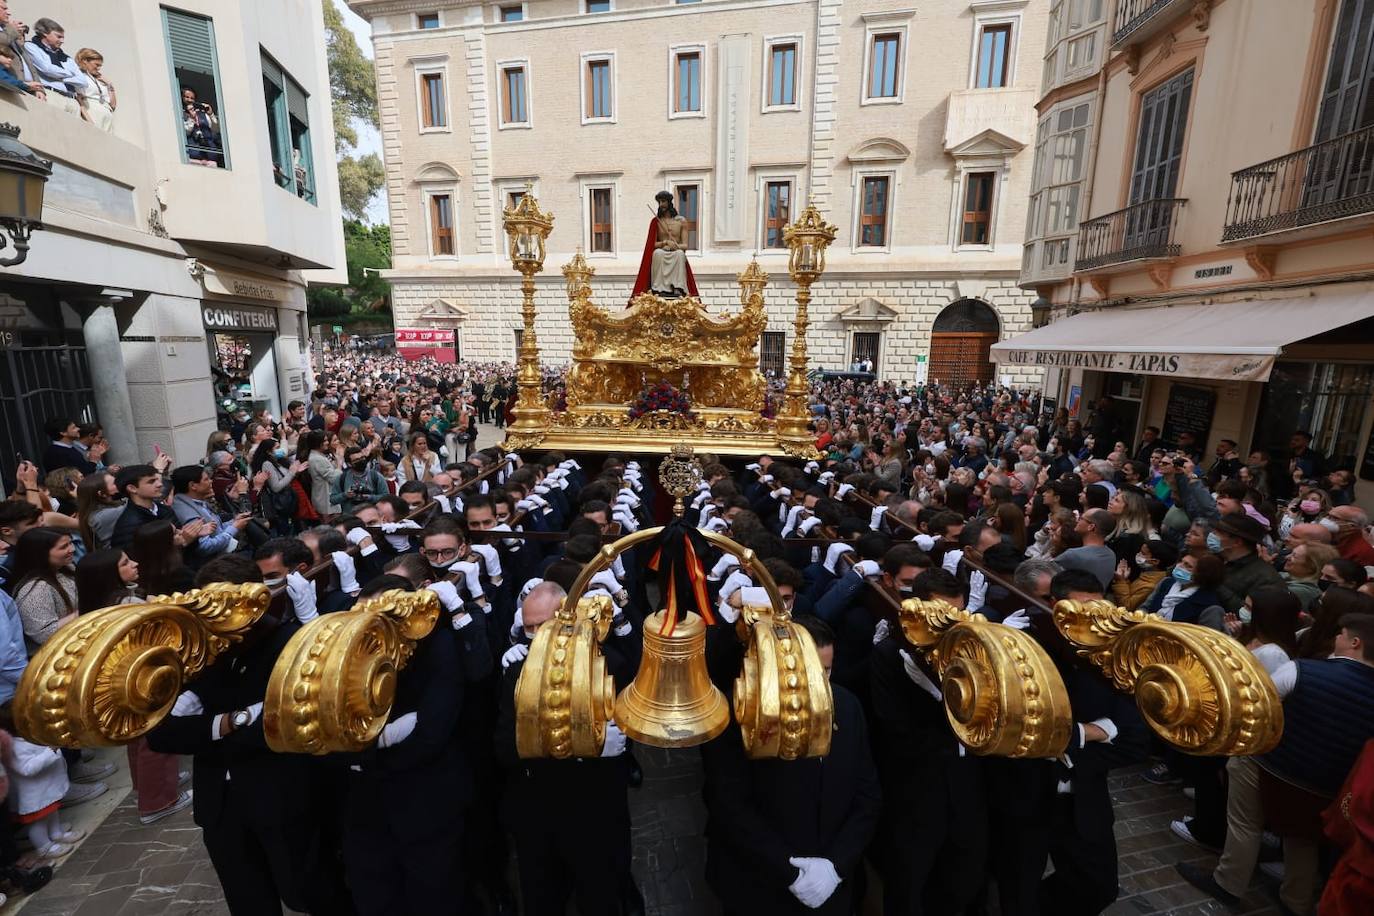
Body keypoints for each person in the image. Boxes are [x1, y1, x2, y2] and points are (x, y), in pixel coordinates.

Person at [1180, 613, 1374, 914]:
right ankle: (1297, 900)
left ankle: (1228, 883)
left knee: (1245, 823)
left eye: (1341, 634)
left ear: (1355, 642)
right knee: (1303, 839)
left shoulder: (1303, 670)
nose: (1336, 638)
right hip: (1325, 784)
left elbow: (1258, 705)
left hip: (1269, 764)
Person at [702, 615, 881, 915]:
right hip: (761, 886)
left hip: (831, 885)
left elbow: (867, 796)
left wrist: (835, 867)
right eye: (812, 672)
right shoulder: (743, 717)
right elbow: (728, 805)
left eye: (827, 670)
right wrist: (792, 872)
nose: (821, 685)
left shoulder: (848, 706)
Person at [496, 581, 636, 915]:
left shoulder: (605, 665)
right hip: (537, 810)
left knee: (600, 893)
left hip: (594, 808)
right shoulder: (515, 670)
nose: (534, 635)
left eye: (542, 625)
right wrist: (585, 746)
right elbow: (503, 747)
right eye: (527, 627)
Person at [8, 527, 78, 650]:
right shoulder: (35, 590)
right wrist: (83, 612)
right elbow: (44, 634)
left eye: (70, 543)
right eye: (63, 547)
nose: (72, 549)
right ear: (41, 553)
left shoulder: (67, 568)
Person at [631, 190, 698, 301]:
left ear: (669, 203)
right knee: (657, 253)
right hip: (662, 250)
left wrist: (675, 246)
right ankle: (658, 288)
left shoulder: (681, 221)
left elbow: (685, 245)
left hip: (676, 251)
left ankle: (678, 287)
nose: (661, 205)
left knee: (680, 254)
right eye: (659, 202)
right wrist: (665, 243)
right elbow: (652, 245)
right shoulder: (656, 222)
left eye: (663, 201)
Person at [1211, 513, 1284, 613]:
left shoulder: (1265, 578)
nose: (1212, 535)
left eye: (1218, 533)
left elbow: (1252, 615)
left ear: (1237, 542)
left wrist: (1217, 585)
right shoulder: (1215, 560)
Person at [1054, 508, 1118, 591]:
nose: (1077, 521)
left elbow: (1043, 575)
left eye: (1081, 518)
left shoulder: (1073, 555)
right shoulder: (1111, 555)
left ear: (1091, 527)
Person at [180, 85, 223, 167]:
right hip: (191, 158)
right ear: (182, 98)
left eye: (192, 98)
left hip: (210, 158)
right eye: (187, 97)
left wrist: (211, 114)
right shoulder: (180, 113)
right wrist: (191, 119)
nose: (190, 100)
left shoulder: (203, 114)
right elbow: (185, 133)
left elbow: (216, 130)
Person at [73, 48, 114, 131]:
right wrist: (89, 120)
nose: (98, 68)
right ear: (85, 61)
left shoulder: (99, 79)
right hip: (92, 112)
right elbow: (78, 99)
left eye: (100, 66)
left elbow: (112, 106)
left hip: (106, 115)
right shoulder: (79, 76)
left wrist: (110, 85)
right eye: (96, 65)